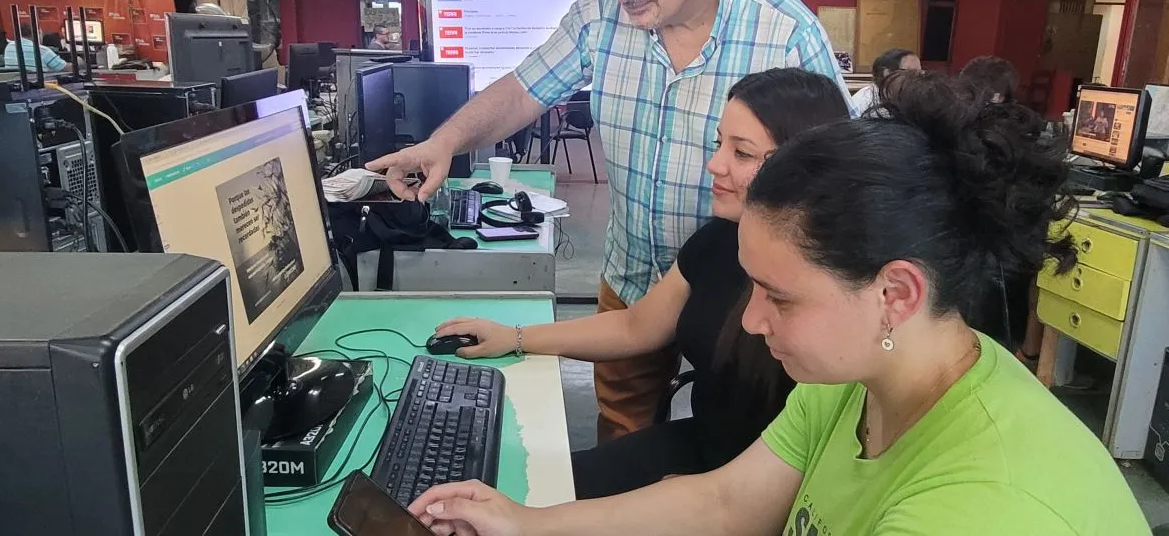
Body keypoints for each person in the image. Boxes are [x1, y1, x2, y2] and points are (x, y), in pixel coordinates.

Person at [408, 74, 1149, 536]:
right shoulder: (859, 378)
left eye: (780, 297)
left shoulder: (986, 508)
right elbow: (729, 503)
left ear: (895, 295)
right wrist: (528, 523)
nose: (752, 321)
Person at [367, 0, 848, 444]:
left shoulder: (785, 32)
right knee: (623, 435)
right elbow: (523, 89)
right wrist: (443, 143)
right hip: (633, 277)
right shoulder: (600, 13)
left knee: (748, 437)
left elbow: (837, 181)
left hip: (745, 293)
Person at [434, 68, 849, 499]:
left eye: (741, 153)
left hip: (768, 486)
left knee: (542, 507)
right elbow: (636, 327)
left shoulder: (833, 287)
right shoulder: (718, 239)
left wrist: (690, 497)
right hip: (701, 448)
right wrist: (514, 337)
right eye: (718, 144)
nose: (714, 164)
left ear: (802, 166)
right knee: (532, 487)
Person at [850, 47, 919, 115]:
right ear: (888, 74)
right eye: (910, 73)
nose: (917, 78)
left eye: (920, 73)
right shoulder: (865, 100)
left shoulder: (914, 97)